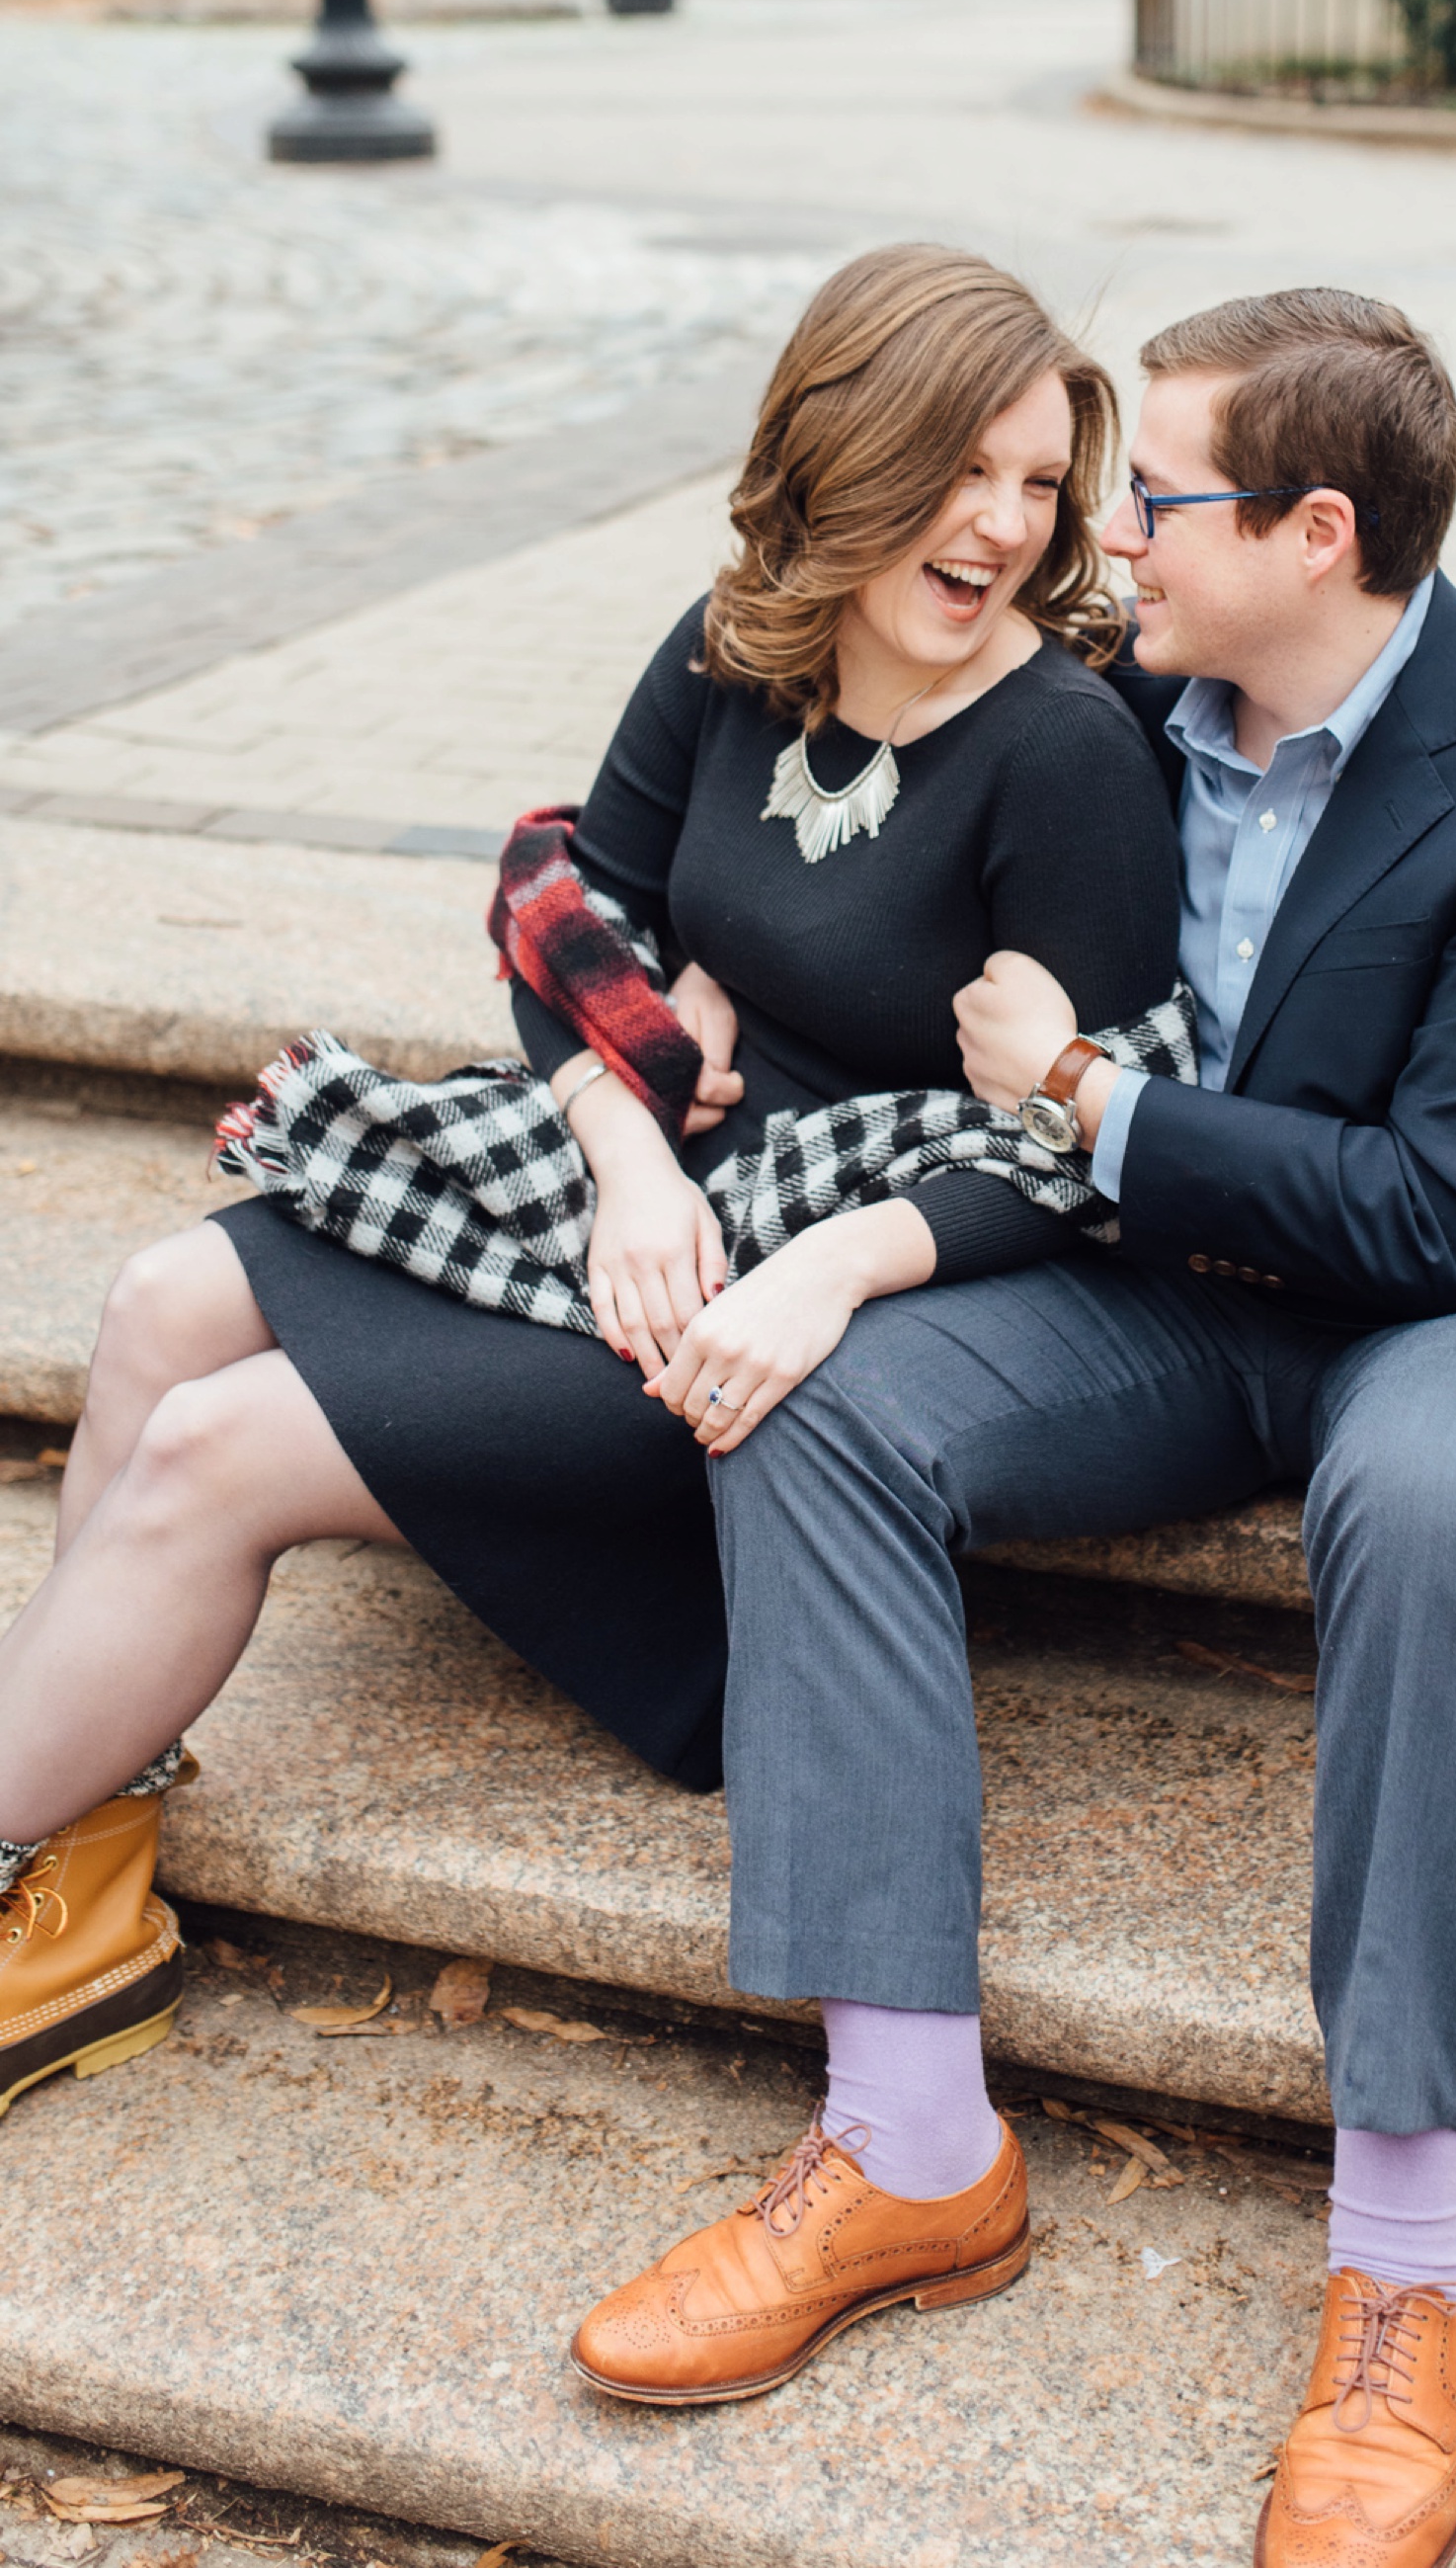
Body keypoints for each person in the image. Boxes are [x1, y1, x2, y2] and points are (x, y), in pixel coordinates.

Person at [570, 289, 1456, 2568]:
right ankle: (904, 2139)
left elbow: (1441, 1206)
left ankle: (1399, 2274)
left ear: (1312, 532)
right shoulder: (1109, 688)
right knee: (819, 1400)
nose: (1092, 536)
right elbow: (669, 780)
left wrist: (1093, 1096)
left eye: (1154, 497)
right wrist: (645, 999)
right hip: (1158, 1299)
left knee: (1438, 1491)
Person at [0, 244, 1181, 2128]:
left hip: (798, 1306)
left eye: (1038, 482)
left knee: (220, 1448)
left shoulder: (1066, 759)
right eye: (962, 467)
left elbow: (1082, 1153)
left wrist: (773, 1246)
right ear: (843, 454)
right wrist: (629, 1142)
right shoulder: (742, 648)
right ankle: (68, 1855)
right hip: (627, 1211)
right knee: (157, 1302)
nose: (1001, 523)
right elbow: (560, 909)